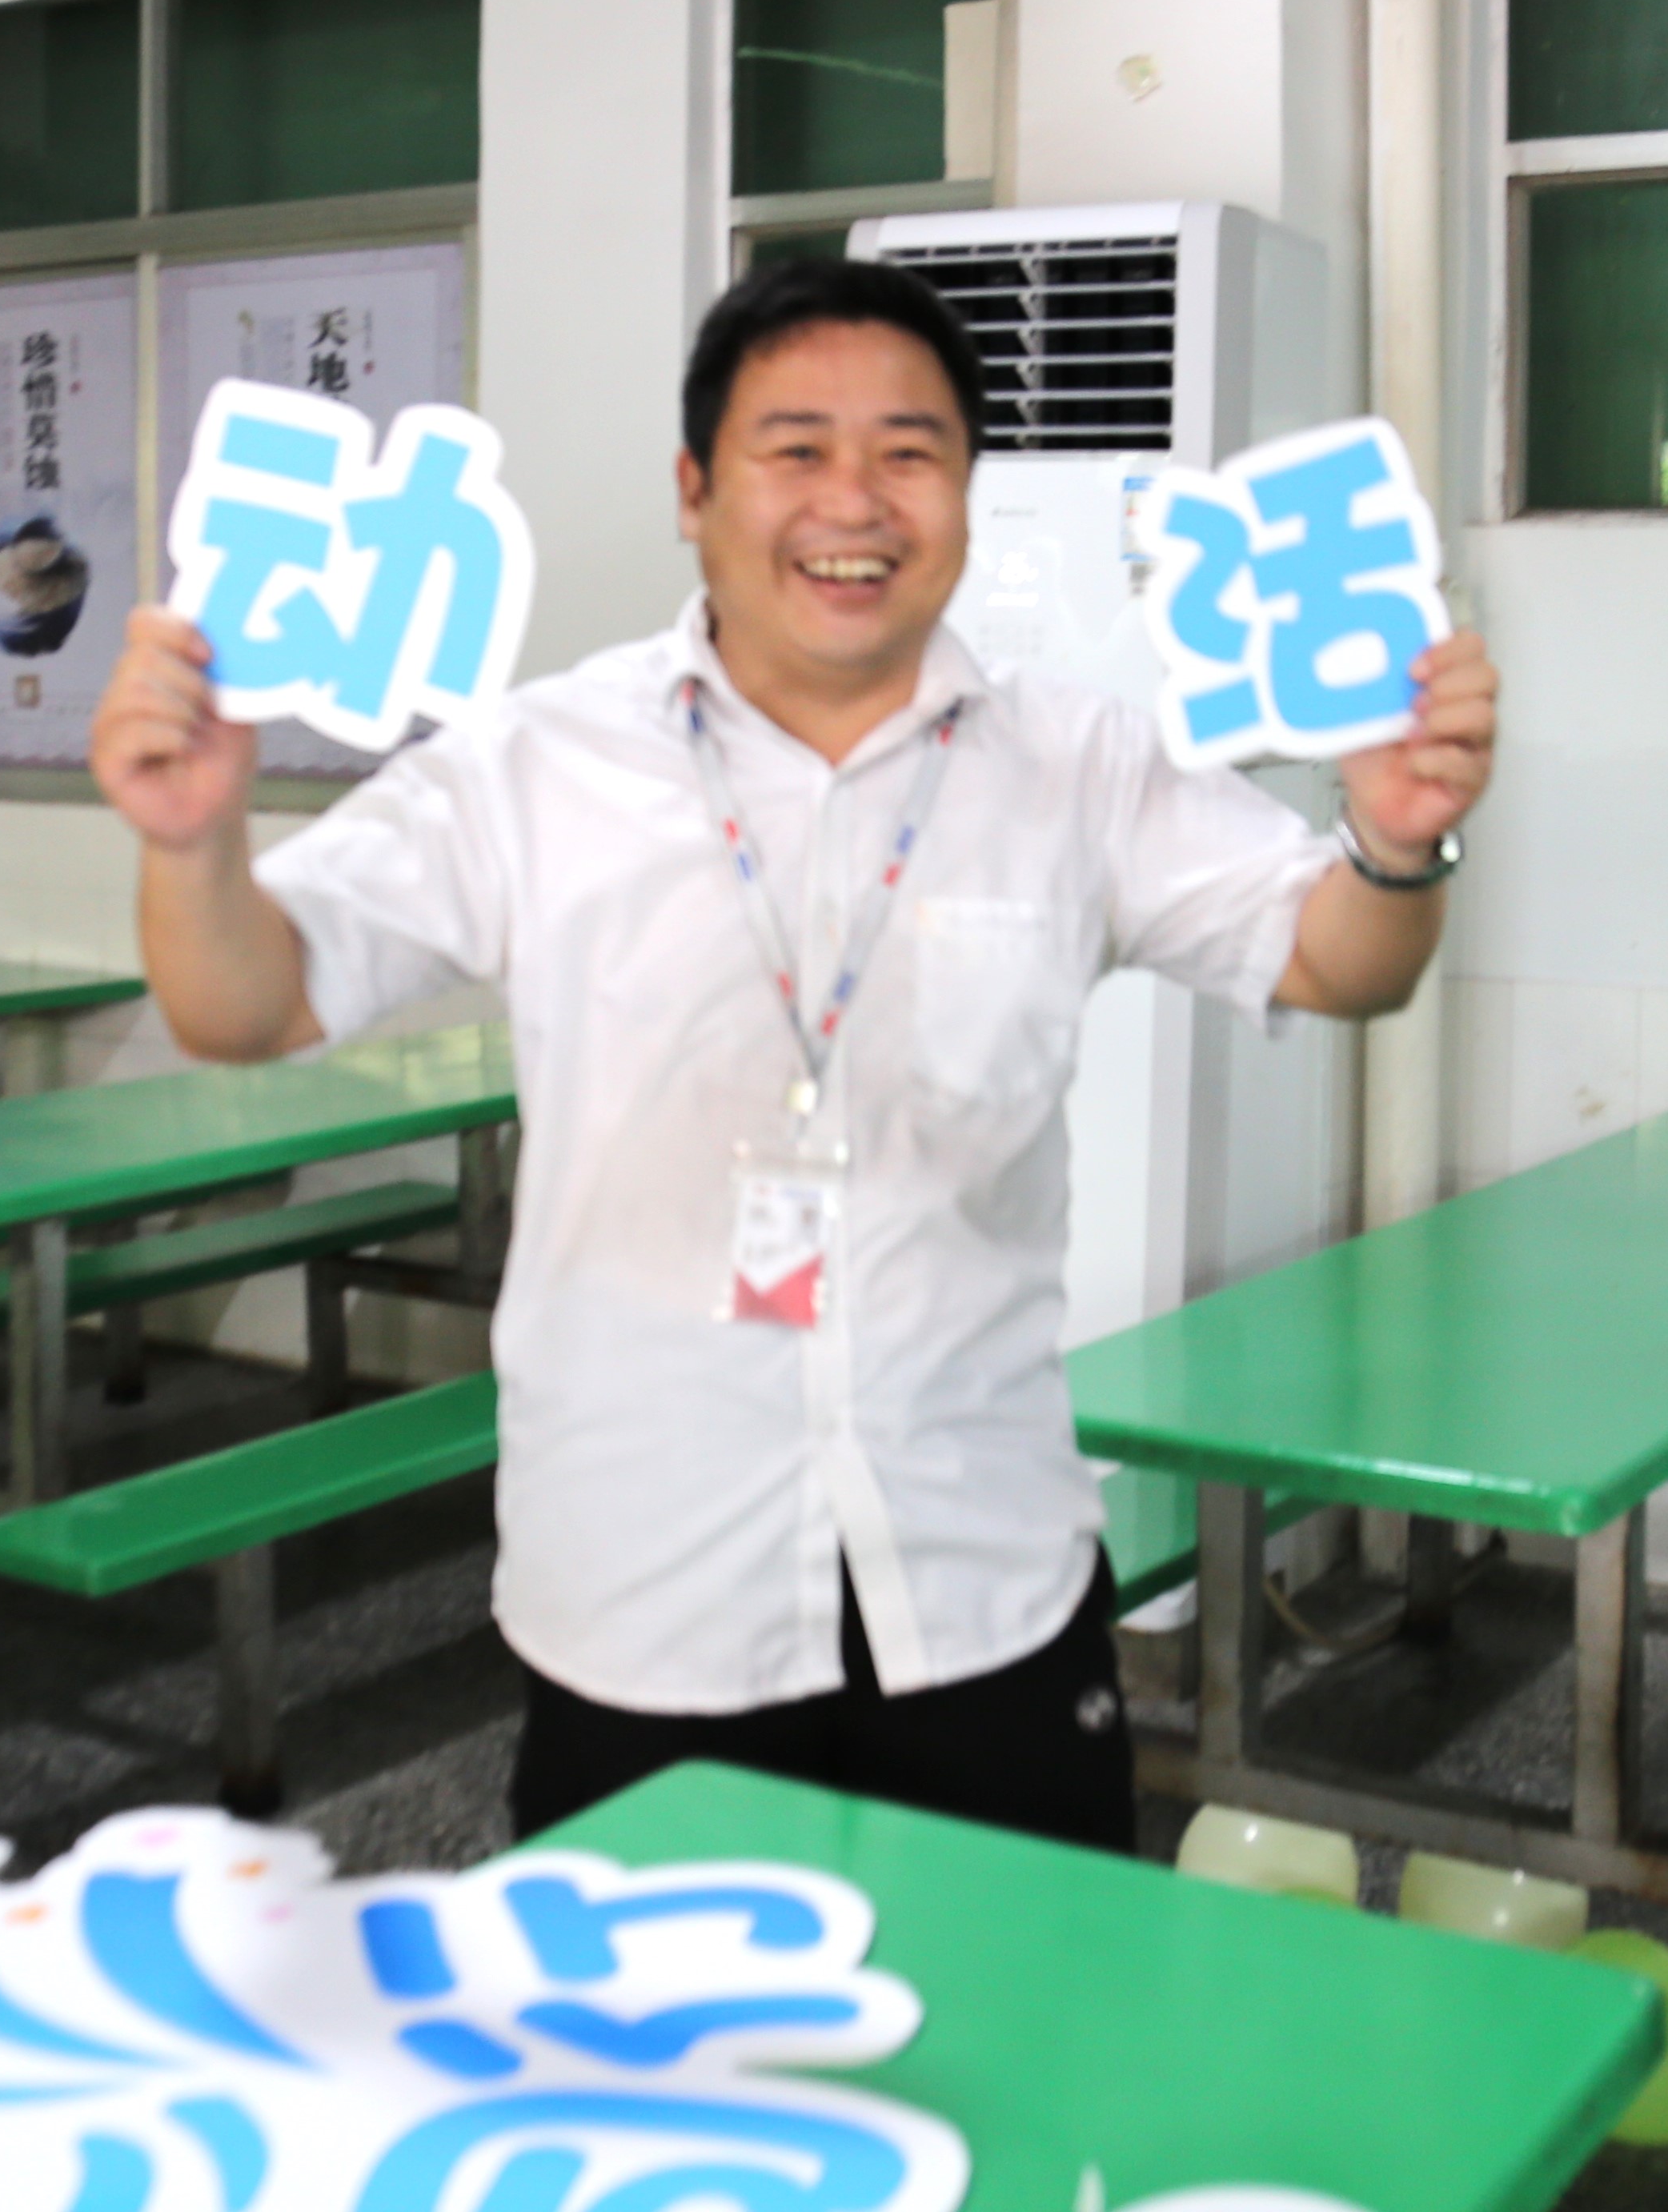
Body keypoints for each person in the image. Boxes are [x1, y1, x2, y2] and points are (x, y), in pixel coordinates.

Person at [88, 257, 1499, 1852]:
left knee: (1018, 2011)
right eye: (797, 448)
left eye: (909, 451)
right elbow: (248, 1006)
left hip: (982, 1584)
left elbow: (1334, 962)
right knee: (662, 2019)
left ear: (965, 492)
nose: (856, 501)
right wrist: (192, 845)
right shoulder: (537, 766)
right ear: (695, 491)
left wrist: (1395, 847)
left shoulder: (1078, 765)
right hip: (645, 1595)